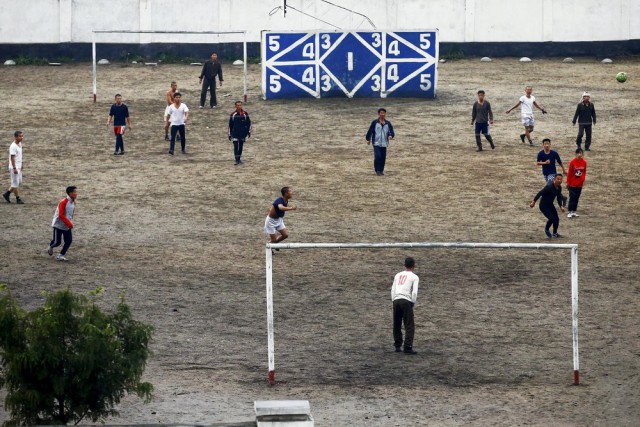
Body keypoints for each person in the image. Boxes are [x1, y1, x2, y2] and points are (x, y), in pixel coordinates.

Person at [391, 257, 419, 355]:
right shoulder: (414, 277)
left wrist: (393, 299)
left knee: (397, 323)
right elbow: (414, 292)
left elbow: (393, 289)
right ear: (414, 265)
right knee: (409, 324)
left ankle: (397, 345)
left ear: (404, 264)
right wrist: (413, 302)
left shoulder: (397, 275)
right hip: (406, 300)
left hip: (396, 300)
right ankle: (408, 346)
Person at [530, 174, 566, 238]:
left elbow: (559, 198)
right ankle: (547, 229)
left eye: (560, 179)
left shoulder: (559, 188)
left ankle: (555, 233)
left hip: (550, 205)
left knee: (556, 219)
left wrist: (561, 206)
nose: (559, 180)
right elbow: (540, 193)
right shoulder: (549, 187)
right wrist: (534, 202)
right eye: (558, 179)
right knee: (551, 218)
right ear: (554, 179)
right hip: (543, 205)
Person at [48, 186, 78, 261]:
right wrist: (69, 223)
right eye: (75, 192)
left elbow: (70, 214)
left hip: (67, 225)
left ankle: (61, 255)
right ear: (70, 193)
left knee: (69, 240)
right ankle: (51, 246)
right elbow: (60, 215)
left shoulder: (73, 202)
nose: (76, 193)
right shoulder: (63, 202)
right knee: (57, 242)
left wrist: (70, 222)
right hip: (58, 225)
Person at [365, 108, 395, 176]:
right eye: (381, 113)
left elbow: (391, 132)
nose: (382, 114)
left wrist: (391, 136)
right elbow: (370, 131)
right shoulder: (375, 122)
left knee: (383, 157)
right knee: (378, 156)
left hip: (384, 143)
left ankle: (381, 170)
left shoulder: (388, 123)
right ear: (379, 114)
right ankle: (377, 170)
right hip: (376, 142)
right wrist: (368, 139)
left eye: (383, 113)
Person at [3, 131, 25, 204]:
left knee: (18, 182)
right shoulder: (13, 146)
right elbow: (12, 158)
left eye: (22, 136)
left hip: (18, 166)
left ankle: (7, 193)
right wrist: (14, 168)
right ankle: (17, 198)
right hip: (14, 167)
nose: (22, 137)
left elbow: (19, 156)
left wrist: (21, 164)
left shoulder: (20, 144)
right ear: (15, 137)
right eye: (20, 136)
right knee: (15, 183)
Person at [228, 100, 252, 165]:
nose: (239, 106)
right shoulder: (233, 115)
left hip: (242, 133)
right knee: (236, 146)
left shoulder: (245, 114)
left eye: (240, 105)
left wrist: (248, 132)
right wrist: (229, 134)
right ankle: (236, 159)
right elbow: (230, 125)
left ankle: (239, 159)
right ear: (235, 106)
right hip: (235, 133)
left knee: (241, 146)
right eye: (238, 105)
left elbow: (248, 123)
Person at [566, 148, 587, 218]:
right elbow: (569, 173)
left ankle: (574, 211)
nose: (579, 155)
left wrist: (583, 179)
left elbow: (584, 172)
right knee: (572, 197)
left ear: (582, 154)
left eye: (581, 153)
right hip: (572, 184)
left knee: (577, 198)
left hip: (579, 184)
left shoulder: (584, 162)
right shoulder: (572, 162)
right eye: (578, 153)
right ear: (575, 154)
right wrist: (568, 183)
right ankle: (569, 211)